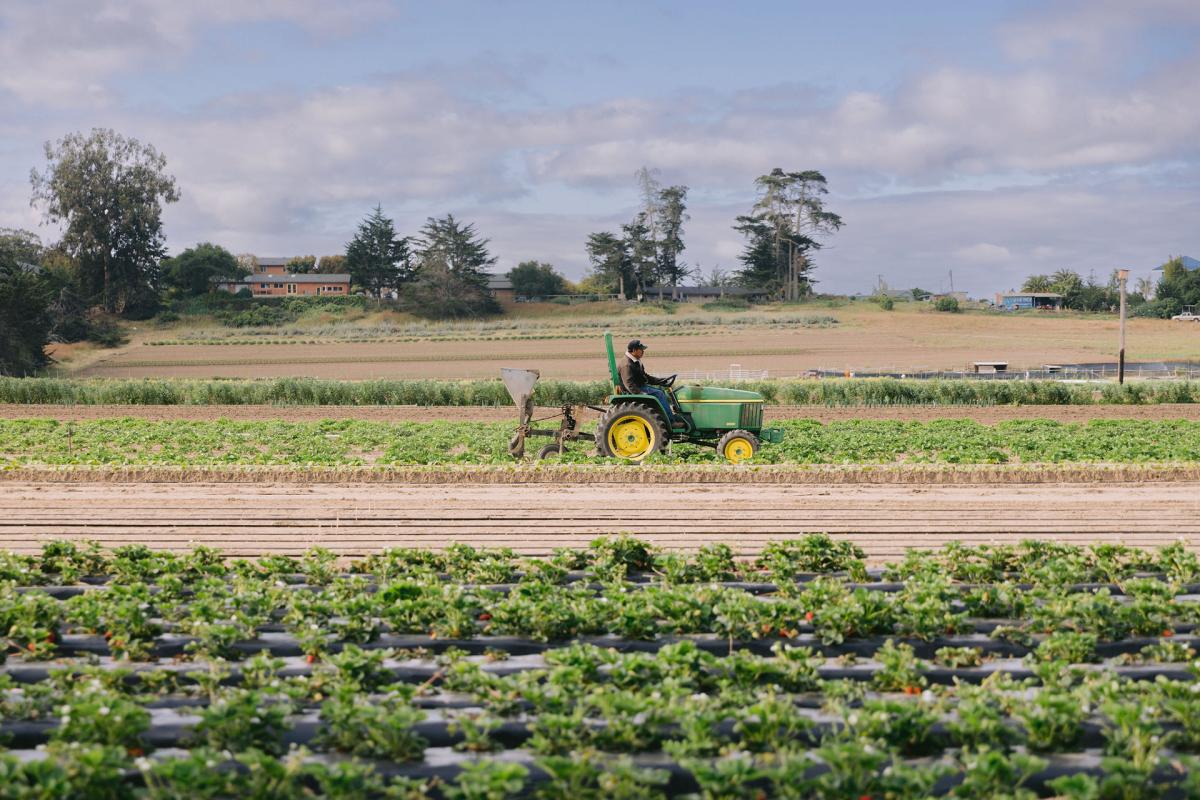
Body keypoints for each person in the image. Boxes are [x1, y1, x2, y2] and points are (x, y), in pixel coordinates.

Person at [618, 339, 684, 428]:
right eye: (641, 349)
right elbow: (629, 385)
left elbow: (646, 377)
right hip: (636, 390)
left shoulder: (635, 361)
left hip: (641, 386)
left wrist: (660, 381)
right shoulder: (627, 364)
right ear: (634, 350)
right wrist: (642, 394)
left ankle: (669, 417)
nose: (643, 351)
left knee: (661, 391)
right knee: (659, 394)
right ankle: (671, 422)